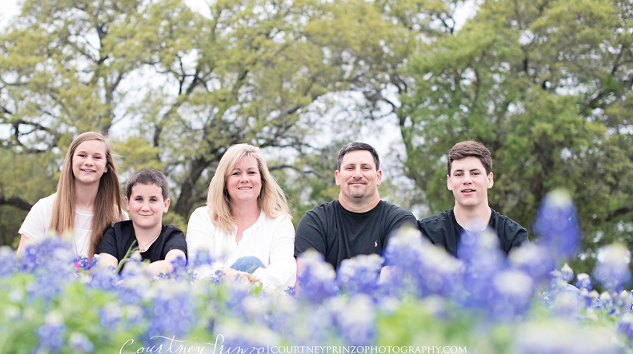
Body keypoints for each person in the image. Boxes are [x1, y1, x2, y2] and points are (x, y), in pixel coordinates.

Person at [186, 144, 296, 290]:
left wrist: (246, 282)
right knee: (249, 263)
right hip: (213, 304)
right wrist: (235, 277)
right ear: (225, 182)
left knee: (251, 263)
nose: (244, 179)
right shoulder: (203, 218)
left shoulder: (280, 223)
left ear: (262, 181)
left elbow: (285, 271)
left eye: (251, 172)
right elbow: (200, 270)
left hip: (262, 306)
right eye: (236, 173)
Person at [294, 142, 417, 271]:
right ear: (338, 177)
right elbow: (306, 284)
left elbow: (395, 285)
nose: (357, 174)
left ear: (378, 177)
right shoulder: (316, 221)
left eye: (365, 168)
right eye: (350, 168)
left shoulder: (401, 221)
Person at [17, 132, 125, 257]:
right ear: (71, 161)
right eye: (82, 155)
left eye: (97, 157)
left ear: (106, 166)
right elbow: (21, 264)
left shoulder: (118, 216)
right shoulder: (44, 209)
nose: (89, 162)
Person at [418, 140, 528, 256]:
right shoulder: (428, 233)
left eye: (475, 173)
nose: (466, 180)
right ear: (449, 182)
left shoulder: (513, 235)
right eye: (458, 174)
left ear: (489, 180)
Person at [96, 169, 187, 274]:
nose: (145, 207)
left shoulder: (173, 235)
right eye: (139, 199)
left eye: (153, 200)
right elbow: (104, 268)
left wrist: (137, 277)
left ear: (165, 205)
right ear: (128, 203)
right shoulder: (116, 234)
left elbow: (175, 263)